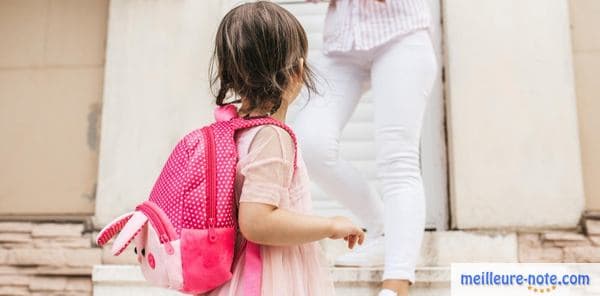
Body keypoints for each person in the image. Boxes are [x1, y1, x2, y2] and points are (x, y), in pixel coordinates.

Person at [207, 2, 364, 295]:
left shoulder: (234, 129)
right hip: (266, 278)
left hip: (236, 273)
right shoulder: (271, 137)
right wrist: (330, 225)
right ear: (297, 71)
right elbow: (256, 221)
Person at [295, 0, 438, 295]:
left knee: (398, 159)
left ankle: (397, 283)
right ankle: (384, 228)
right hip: (342, 45)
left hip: (401, 35)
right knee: (309, 142)